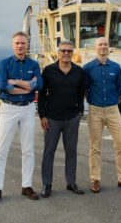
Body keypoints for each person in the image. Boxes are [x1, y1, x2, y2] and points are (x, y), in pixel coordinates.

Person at [0, 31, 43, 205]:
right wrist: (28, 86)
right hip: (9, 109)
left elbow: (39, 85)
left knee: (28, 150)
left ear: (27, 45)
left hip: (27, 109)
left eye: (23, 43)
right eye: (17, 43)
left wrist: (16, 83)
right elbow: (3, 86)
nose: (20, 46)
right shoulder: (4, 63)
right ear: (13, 45)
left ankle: (26, 186)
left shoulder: (34, 64)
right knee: (1, 149)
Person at [83, 37, 121, 193]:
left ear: (108, 47)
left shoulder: (116, 67)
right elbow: (85, 90)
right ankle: (95, 180)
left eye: (105, 44)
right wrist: (94, 101)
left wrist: (112, 102)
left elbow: (119, 88)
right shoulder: (88, 68)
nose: (103, 47)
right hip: (95, 110)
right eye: (100, 45)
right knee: (95, 147)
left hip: (113, 110)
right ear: (95, 48)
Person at [38, 40, 85, 198]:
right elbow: (43, 95)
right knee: (48, 151)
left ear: (73, 53)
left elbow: (80, 93)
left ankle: (71, 182)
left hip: (72, 118)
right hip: (52, 118)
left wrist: (80, 112)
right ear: (58, 53)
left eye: (69, 51)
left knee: (71, 151)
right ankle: (47, 184)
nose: (66, 54)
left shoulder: (79, 71)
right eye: (63, 51)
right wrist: (42, 115)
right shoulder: (49, 71)